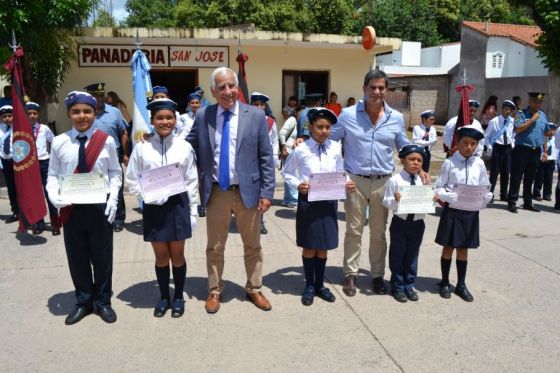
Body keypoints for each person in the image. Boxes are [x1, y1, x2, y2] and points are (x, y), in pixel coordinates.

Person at [186, 67, 276, 314]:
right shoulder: (204, 115)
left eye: (231, 86)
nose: (228, 91)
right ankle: (214, 290)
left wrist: (267, 193)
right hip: (216, 192)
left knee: (253, 245)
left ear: (237, 87)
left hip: (249, 191)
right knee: (215, 246)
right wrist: (156, 140)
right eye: (222, 87)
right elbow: (186, 146)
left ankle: (254, 288)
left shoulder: (255, 116)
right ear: (213, 92)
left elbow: (266, 157)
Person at [330, 69, 420, 297]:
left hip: (383, 182)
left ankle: (378, 276)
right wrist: (308, 140)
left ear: (386, 90)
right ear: (364, 89)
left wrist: (423, 167)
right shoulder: (348, 115)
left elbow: (404, 148)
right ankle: (351, 274)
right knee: (353, 230)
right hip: (355, 181)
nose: (377, 92)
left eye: (381, 87)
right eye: (373, 87)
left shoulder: (396, 119)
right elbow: (331, 142)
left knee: (379, 232)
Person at [46, 91, 122, 324]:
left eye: (87, 111)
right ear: (69, 114)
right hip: (72, 209)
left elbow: (115, 173)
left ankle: (102, 302)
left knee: (102, 257)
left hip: (99, 208)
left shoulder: (106, 140)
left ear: (94, 113)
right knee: (77, 258)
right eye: (76, 112)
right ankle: (83, 302)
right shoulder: (59, 142)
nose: (82, 116)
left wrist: (113, 201)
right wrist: (54, 197)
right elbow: (52, 175)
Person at [126, 98, 199, 318]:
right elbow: (131, 179)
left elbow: (192, 180)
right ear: (152, 120)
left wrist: (193, 210)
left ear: (176, 120)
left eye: (169, 117)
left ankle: (178, 297)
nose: (164, 121)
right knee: (160, 256)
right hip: (153, 208)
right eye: (160, 118)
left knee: (177, 255)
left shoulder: (184, 147)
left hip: (178, 206)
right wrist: (147, 196)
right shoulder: (142, 147)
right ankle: (163, 297)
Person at [282, 108, 355, 306]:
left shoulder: (335, 147)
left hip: (329, 202)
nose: (324, 131)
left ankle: (320, 285)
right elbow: (287, 173)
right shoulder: (301, 149)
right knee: (309, 246)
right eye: (320, 127)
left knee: (323, 247)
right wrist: (298, 184)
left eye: (328, 127)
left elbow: (341, 170)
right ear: (310, 127)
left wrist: (347, 181)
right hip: (309, 202)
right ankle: (309, 285)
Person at [435, 125, 493, 302]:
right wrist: (446, 195)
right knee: (448, 247)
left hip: (470, 212)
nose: (469, 147)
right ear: (458, 143)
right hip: (453, 211)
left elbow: (485, 184)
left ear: (477, 145)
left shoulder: (479, 163)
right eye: (465, 143)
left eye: (473, 144)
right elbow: (438, 187)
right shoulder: (450, 162)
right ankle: (444, 281)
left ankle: (461, 284)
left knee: (463, 248)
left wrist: (488, 195)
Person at [382, 145, 430, 303]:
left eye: (419, 160)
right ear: (403, 160)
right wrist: (395, 200)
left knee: (412, 254)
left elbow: (426, 200)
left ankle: (409, 284)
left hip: (417, 222)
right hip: (400, 222)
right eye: (412, 159)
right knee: (398, 253)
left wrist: (432, 199)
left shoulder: (423, 180)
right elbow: (386, 202)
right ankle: (397, 284)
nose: (416, 163)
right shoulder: (395, 180)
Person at [85, 83, 129, 232]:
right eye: (95, 96)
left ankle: (118, 218)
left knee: (116, 186)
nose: (99, 98)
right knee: (95, 187)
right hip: (91, 155)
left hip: (113, 154)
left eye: (101, 95)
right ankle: (100, 217)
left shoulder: (114, 112)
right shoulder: (85, 113)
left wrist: (126, 153)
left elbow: (123, 132)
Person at [507, 92, 551, 213]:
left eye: (540, 102)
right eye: (536, 102)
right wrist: (532, 120)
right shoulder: (520, 114)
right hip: (522, 150)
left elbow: (545, 134)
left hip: (535, 150)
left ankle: (527, 202)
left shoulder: (543, 115)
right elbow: (518, 129)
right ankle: (512, 202)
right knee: (516, 177)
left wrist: (545, 151)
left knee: (530, 178)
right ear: (530, 101)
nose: (538, 104)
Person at [26, 102, 60, 235]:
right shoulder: (22, 130)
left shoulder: (44, 128)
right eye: (29, 113)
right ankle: (39, 222)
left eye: (34, 113)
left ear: (38, 114)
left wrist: (53, 158)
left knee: (48, 192)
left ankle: (55, 221)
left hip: (43, 162)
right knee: (35, 194)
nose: (32, 116)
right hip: (30, 164)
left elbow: (55, 142)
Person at [250, 91, 279, 235]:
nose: (259, 107)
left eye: (262, 104)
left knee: (262, 191)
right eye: (256, 104)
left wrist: (274, 158)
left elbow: (274, 140)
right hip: (249, 162)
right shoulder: (246, 120)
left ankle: (260, 222)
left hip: (264, 162)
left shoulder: (270, 121)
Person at [484, 100, 516, 202]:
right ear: (502, 109)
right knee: (494, 172)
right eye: (506, 109)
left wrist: (512, 143)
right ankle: (490, 194)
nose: (508, 112)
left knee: (506, 172)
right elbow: (486, 136)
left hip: (508, 148)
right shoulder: (494, 121)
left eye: (510, 110)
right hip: (497, 148)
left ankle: (503, 194)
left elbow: (514, 134)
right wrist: (489, 147)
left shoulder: (512, 121)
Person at [278, 106, 302, 207]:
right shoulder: (292, 119)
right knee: (293, 175)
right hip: (288, 151)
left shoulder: (298, 122)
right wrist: (283, 148)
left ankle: (287, 199)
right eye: (301, 112)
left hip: (291, 151)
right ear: (296, 112)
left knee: (288, 175)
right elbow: (282, 133)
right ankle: (293, 200)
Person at [0, 105, 18, 223]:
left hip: (18, 162)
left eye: (9, 116)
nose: (7, 118)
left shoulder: (19, 128)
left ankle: (26, 211)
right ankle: (15, 212)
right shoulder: (0, 128)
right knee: (11, 188)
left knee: (21, 188)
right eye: (4, 116)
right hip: (5, 162)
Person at [533, 124, 557, 201]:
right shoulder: (542, 138)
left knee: (549, 179)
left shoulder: (556, 139)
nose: (551, 132)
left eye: (553, 130)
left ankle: (547, 195)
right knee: (539, 178)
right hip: (541, 161)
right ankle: (536, 194)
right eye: (550, 130)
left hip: (551, 161)